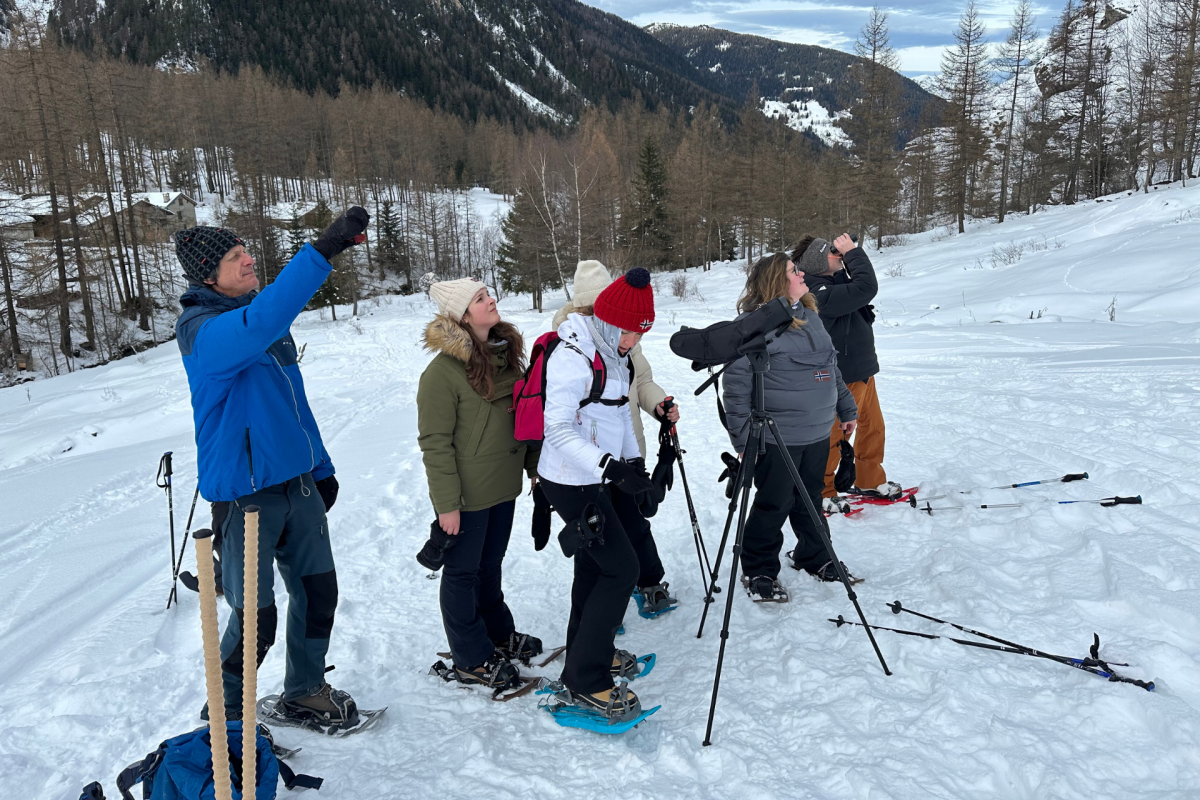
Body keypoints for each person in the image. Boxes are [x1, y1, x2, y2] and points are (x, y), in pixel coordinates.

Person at [173, 209, 368, 727]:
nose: (248, 260)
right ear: (207, 276)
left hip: (296, 485)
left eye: (246, 252)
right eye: (234, 258)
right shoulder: (203, 331)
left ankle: (304, 689)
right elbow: (261, 323)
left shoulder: (260, 318)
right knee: (256, 618)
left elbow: (293, 405)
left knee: (318, 591)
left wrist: (319, 466)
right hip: (245, 494)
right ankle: (227, 718)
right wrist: (321, 251)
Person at [537, 268, 658, 722]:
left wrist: (636, 469)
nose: (633, 341)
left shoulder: (615, 354)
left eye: (640, 333)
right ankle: (585, 682)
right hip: (569, 479)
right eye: (629, 331)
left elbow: (621, 417)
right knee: (621, 568)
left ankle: (592, 650)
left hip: (596, 476)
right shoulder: (573, 356)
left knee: (593, 566)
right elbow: (557, 429)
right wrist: (609, 467)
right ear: (607, 320)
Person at [417, 277, 543, 690]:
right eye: (480, 298)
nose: (491, 301)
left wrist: (534, 468)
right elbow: (435, 444)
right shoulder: (441, 374)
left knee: (490, 567)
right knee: (462, 574)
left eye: (489, 295)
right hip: (467, 496)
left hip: (502, 486)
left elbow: (522, 421)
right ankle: (471, 657)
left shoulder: (507, 359)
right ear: (462, 314)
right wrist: (446, 504)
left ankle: (497, 633)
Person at [721, 252, 859, 601]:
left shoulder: (810, 316)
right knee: (773, 503)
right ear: (776, 282)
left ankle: (815, 557)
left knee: (810, 499)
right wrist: (742, 440)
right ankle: (759, 570)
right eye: (793, 271)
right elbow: (736, 389)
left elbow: (831, 369)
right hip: (778, 436)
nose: (801, 274)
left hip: (816, 432)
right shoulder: (755, 324)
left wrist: (846, 407)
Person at [552, 260, 679, 618]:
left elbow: (644, 383)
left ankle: (649, 581)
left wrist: (660, 406)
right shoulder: (571, 347)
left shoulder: (629, 339)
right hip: (586, 462)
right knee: (596, 537)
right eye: (590, 309)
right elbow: (556, 419)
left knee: (635, 522)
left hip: (626, 450)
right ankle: (604, 606)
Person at [791, 234, 902, 509]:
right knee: (836, 435)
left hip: (863, 369)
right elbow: (866, 287)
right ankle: (823, 491)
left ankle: (869, 479)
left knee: (873, 429)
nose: (838, 254)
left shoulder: (835, 283)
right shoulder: (817, 292)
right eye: (832, 252)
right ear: (818, 262)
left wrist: (846, 257)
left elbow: (858, 287)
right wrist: (852, 252)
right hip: (841, 375)